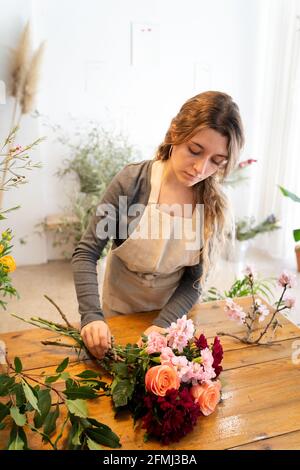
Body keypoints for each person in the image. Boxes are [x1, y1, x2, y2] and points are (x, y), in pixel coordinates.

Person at [71, 90, 245, 359]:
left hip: (171, 316)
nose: (200, 168)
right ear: (175, 132)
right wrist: (92, 316)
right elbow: (86, 252)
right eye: (194, 151)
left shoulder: (212, 207)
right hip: (119, 308)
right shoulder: (131, 182)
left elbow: (194, 280)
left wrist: (164, 325)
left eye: (216, 161)